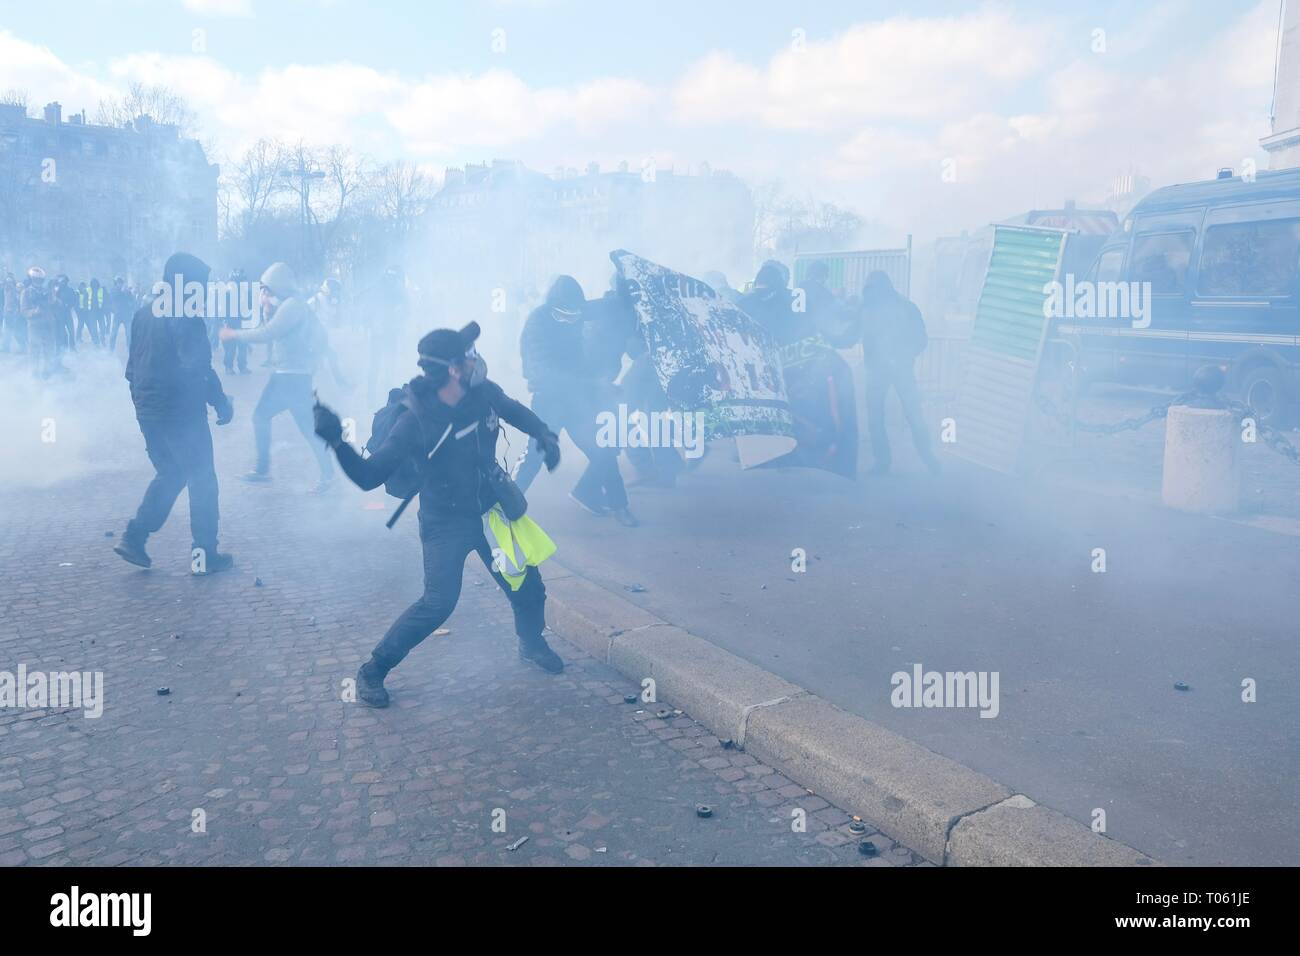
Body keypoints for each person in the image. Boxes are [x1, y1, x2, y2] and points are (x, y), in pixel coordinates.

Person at [312, 322, 566, 708]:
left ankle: (531, 643)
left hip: (490, 511)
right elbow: (369, 476)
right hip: (444, 522)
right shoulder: (415, 420)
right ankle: (373, 670)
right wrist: (336, 441)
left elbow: (513, 410)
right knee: (438, 603)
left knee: (527, 584)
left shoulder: (482, 393)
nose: (475, 360)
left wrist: (545, 434)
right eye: (468, 355)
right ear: (452, 369)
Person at [114, 253, 234, 573]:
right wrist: (220, 401)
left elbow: (131, 370)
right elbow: (198, 368)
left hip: (148, 411)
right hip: (180, 414)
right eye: (202, 283)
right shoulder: (184, 316)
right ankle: (203, 557)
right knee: (202, 480)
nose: (205, 290)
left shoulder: (142, 313)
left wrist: (142, 405)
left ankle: (134, 536)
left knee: (172, 473)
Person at [516, 275, 638, 526]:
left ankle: (620, 506)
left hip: (577, 401)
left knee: (603, 448)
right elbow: (543, 373)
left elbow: (606, 306)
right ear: (552, 307)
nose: (569, 320)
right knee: (534, 456)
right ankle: (505, 507)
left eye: (574, 315)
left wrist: (628, 293)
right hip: (548, 402)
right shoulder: (537, 324)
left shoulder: (577, 312)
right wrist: (594, 384)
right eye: (563, 315)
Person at [220, 262, 334, 493]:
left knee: (289, 424)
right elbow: (268, 328)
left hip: (292, 377)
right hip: (287, 375)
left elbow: (268, 333)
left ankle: (326, 475)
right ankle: (323, 474)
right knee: (277, 420)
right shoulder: (288, 304)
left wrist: (233, 334)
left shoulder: (293, 306)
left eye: (266, 289)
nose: (264, 293)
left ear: (277, 285)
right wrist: (266, 308)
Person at [859, 271, 940, 476]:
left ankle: (927, 458)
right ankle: (888, 462)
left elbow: (921, 339)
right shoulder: (870, 307)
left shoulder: (903, 307)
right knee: (881, 417)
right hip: (880, 370)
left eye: (871, 287)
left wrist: (901, 356)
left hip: (897, 369)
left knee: (912, 414)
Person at [20, 266, 55, 379]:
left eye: (40, 280)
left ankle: (47, 372)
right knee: (34, 350)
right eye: (36, 279)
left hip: (48, 325)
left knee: (49, 350)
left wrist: (54, 297)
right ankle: (34, 373)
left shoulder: (47, 291)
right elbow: (24, 311)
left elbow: (53, 304)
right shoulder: (26, 292)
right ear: (31, 279)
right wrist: (35, 311)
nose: (38, 282)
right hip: (34, 326)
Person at [220, 268, 250, 374]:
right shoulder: (227, 292)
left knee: (241, 346)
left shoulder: (245, 292)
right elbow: (222, 308)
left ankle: (241, 367)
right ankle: (229, 367)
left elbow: (250, 307)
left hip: (241, 322)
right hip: (231, 322)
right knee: (231, 346)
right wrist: (224, 320)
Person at [106, 276, 135, 353]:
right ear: (116, 283)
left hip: (127, 316)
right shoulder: (114, 290)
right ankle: (111, 349)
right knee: (114, 333)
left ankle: (129, 348)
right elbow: (114, 297)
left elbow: (132, 300)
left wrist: (128, 293)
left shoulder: (126, 291)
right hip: (118, 315)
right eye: (119, 283)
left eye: (121, 283)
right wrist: (123, 292)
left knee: (129, 334)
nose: (120, 284)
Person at [1, 271, 24, 354]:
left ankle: (23, 347)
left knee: (16, 331)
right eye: (7, 281)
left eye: (10, 281)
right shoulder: (6, 290)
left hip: (14, 313)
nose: (8, 283)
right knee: (7, 331)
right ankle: (6, 347)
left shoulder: (16, 290)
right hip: (7, 313)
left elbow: (19, 302)